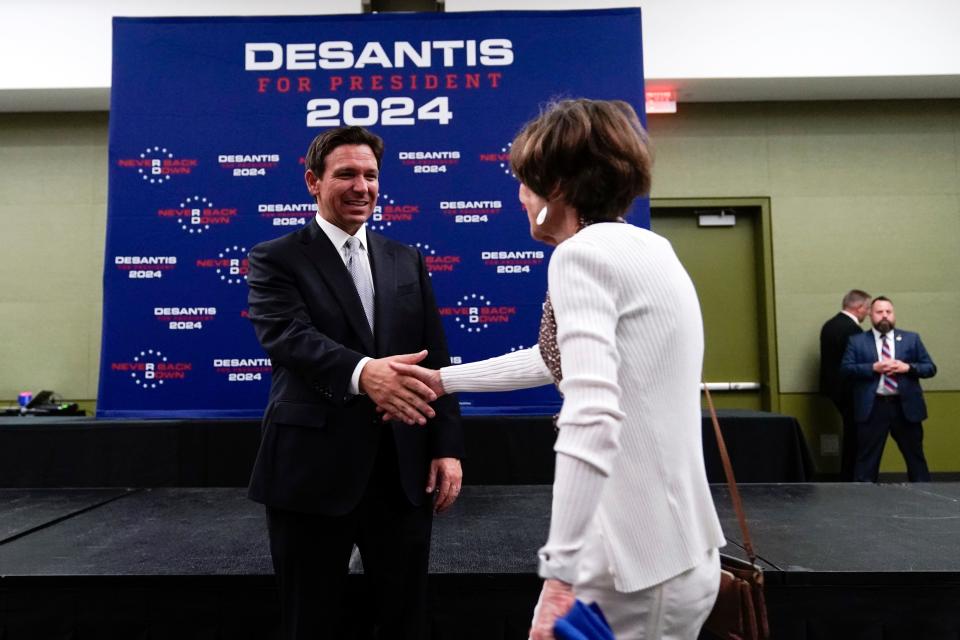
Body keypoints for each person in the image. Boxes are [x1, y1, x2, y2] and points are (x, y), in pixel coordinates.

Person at [389, 99, 724, 640]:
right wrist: (443, 380)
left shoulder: (581, 256)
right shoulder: (648, 248)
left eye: (527, 182)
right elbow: (558, 359)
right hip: (679, 554)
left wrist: (561, 575)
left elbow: (592, 415)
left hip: (629, 569)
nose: (519, 196)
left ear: (558, 189)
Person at [245, 126, 464, 639]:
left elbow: (438, 358)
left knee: (404, 619)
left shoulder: (404, 257)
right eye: (345, 174)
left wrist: (446, 446)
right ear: (312, 182)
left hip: (402, 469)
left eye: (370, 175)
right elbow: (287, 337)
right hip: (311, 472)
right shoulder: (275, 257)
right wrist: (366, 374)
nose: (361, 185)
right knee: (310, 620)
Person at [841, 296, 936, 483]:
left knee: (915, 458)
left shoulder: (911, 339)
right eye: (879, 312)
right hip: (873, 408)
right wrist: (872, 368)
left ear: (894, 314)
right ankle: (862, 502)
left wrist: (907, 367)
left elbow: (930, 368)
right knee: (866, 461)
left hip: (905, 407)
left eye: (888, 312)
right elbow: (845, 369)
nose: (884, 316)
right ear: (870, 315)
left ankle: (926, 500)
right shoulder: (857, 341)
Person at [819, 289, 871, 480]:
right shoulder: (853, 330)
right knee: (855, 435)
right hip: (849, 390)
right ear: (859, 308)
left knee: (851, 432)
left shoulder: (830, 325)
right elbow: (856, 362)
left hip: (835, 389)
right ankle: (852, 475)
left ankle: (849, 474)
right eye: (867, 309)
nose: (868, 313)